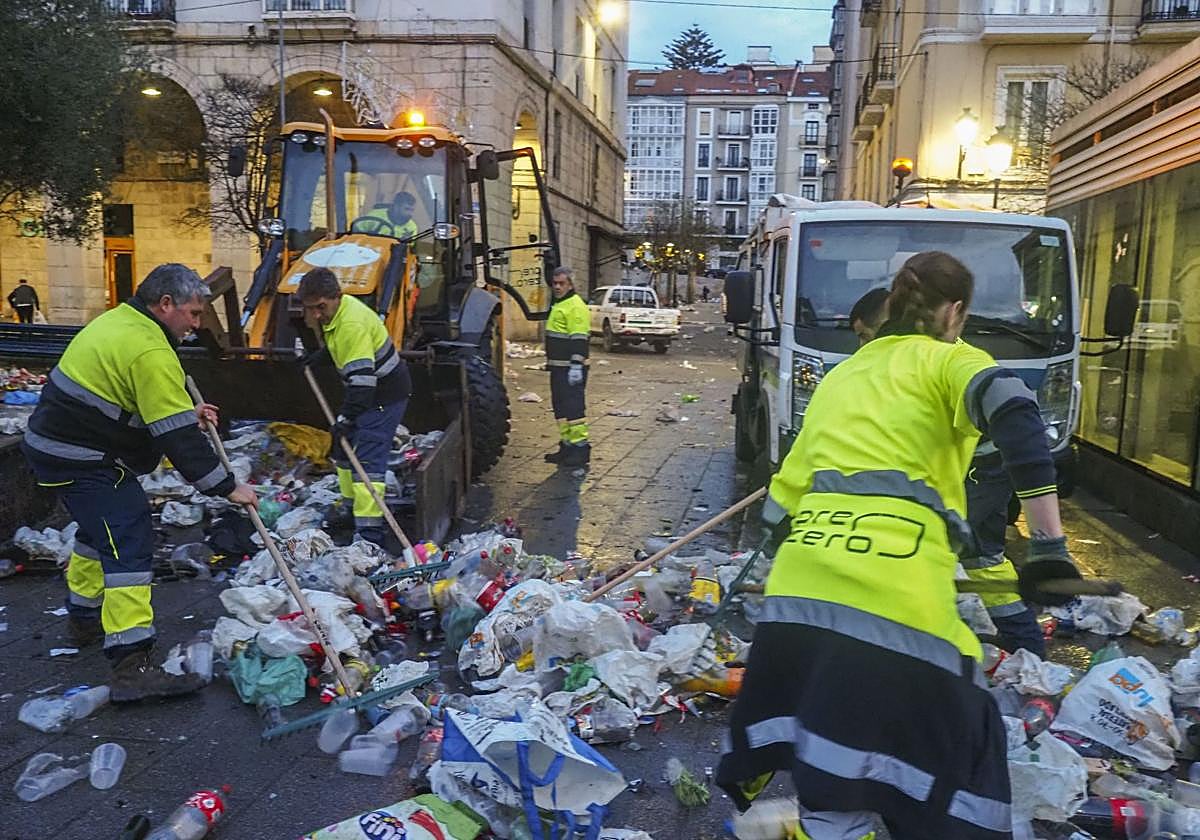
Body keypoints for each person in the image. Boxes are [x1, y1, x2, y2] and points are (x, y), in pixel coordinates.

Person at [718, 252, 1080, 839]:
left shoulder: (843, 375)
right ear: (955, 311)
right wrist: (1047, 549)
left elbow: (781, 508)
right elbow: (1017, 414)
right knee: (948, 764)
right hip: (897, 601)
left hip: (798, 603)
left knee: (835, 759)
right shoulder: (952, 361)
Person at [22, 264, 259, 702]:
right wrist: (227, 487)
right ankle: (133, 665)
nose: (197, 323)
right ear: (165, 304)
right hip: (79, 454)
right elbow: (178, 440)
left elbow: (141, 403)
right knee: (129, 538)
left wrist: (188, 410)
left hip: (55, 444)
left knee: (99, 533)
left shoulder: (124, 321)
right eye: (192, 313)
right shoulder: (150, 351)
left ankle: (85, 618)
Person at [850, 286, 1045, 656]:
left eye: (865, 335)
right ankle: (1028, 649)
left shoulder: (939, 359)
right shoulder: (914, 360)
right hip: (984, 467)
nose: (862, 347)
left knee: (917, 545)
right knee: (983, 560)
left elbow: (1013, 407)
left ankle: (905, 651)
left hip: (980, 470)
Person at [297, 267, 412, 547]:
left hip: (384, 396)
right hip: (367, 392)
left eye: (320, 308)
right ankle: (352, 514)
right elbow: (341, 350)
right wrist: (319, 357)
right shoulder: (338, 313)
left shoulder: (351, 324)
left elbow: (363, 384)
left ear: (335, 297)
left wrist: (347, 418)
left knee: (368, 464)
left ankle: (370, 535)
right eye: (310, 309)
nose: (315, 315)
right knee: (342, 452)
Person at [544, 266, 591, 467]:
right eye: (554, 283)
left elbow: (579, 338)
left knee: (574, 409)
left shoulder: (575, 306)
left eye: (561, 283)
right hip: (558, 367)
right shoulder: (559, 303)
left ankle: (580, 449)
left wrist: (576, 365)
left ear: (570, 284)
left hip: (571, 368)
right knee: (560, 408)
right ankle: (566, 446)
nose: (557, 287)